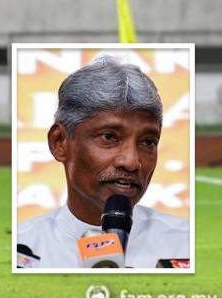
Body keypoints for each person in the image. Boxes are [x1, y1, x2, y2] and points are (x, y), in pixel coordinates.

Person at [16, 57, 189, 269]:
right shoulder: (21, 248)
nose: (131, 161)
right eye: (109, 137)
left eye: (148, 142)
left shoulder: (187, 243)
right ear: (59, 142)